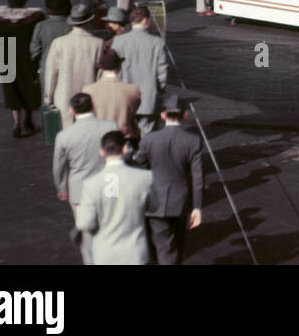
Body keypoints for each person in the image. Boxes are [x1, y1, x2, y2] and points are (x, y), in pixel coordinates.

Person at [132, 94, 205, 264]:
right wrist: (197, 207)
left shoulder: (149, 139)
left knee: (163, 246)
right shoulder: (193, 140)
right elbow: (198, 176)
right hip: (181, 201)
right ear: (184, 115)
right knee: (177, 243)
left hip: (153, 200)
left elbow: (138, 167)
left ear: (163, 115)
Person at [75, 130, 159, 265]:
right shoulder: (145, 177)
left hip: (105, 255)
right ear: (125, 149)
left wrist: (80, 212)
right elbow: (154, 206)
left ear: (102, 152)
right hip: (135, 253)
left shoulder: (91, 184)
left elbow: (85, 224)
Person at [52, 93, 116, 264]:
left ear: (72, 110)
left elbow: (59, 167)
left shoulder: (64, 136)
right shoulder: (110, 126)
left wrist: (62, 188)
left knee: (87, 234)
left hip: (80, 191)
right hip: (108, 185)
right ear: (92, 106)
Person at [0, 0, 44, 138]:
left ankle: (16, 123)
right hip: (28, 60)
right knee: (29, 87)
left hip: (6, 59)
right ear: (25, 3)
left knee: (12, 90)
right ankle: (29, 119)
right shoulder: (35, 19)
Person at [112, 7, 169, 138]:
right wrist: (160, 88)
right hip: (148, 95)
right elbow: (162, 71)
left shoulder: (119, 41)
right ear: (145, 21)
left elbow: (115, 67)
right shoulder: (157, 42)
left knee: (124, 131)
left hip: (124, 94)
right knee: (146, 132)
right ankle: (142, 156)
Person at [43, 4, 102, 129]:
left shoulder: (58, 43)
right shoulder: (98, 43)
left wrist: (48, 98)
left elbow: (51, 73)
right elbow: (99, 75)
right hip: (89, 97)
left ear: (71, 23)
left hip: (63, 96)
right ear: (88, 22)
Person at [85, 49, 141, 138]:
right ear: (119, 67)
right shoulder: (134, 90)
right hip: (124, 137)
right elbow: (133, 113)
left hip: (98, 137)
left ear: (101, 69)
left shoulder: (88, 90)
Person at [30, 0, 71, 90]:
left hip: (46, 66)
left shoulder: (41, 26)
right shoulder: (70, 26)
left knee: (46, 95)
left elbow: (34, 50)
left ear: (48, 9)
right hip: (67, 65)